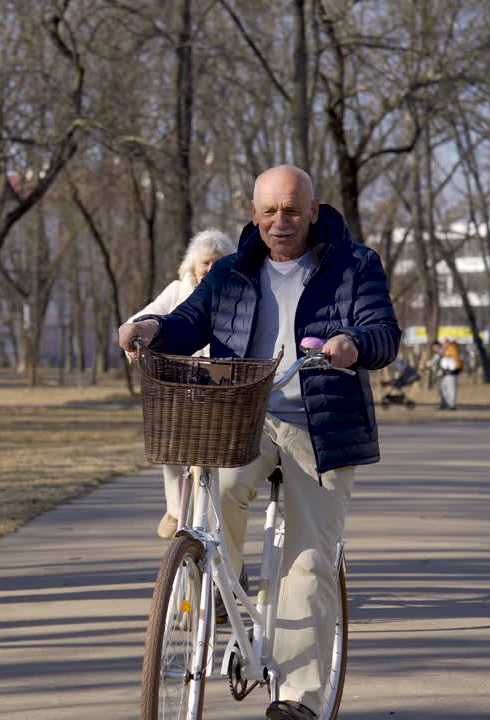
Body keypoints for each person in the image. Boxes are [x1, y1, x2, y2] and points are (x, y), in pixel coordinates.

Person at [119, 165, 400, 720]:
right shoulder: (232, 270)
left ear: (313, 212)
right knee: (212, 501)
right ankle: (224, 579)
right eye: (269, 211)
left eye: (292, 211)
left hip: (320, 424)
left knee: (308, 561)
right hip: (242, 416)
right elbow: (188, 322)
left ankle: (297, 699)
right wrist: (150, 329)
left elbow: (384, 332)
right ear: (253, 214)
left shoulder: (353, 265)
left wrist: (353, 343)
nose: (280, 223)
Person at [130, 228, 237, 540]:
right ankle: (176, 509)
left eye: (218, 261)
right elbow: (145, 317)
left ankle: (218, 541)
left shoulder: (234, 292)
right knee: (173, 449)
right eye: (205, 262)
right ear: (192, 264)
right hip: (179, 382)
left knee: (211, 462)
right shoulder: (177, 290)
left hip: (219, 384)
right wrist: (135, 333)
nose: (211, 268)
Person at [433, 340, 461, 409]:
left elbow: (444, 355)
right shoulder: (444, 351)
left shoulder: (451, 350)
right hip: (445, 374)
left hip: (451, 373)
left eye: (444, 344)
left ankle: (453, 406)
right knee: (443, 389)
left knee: (451, 390)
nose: (443, 345)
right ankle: (449, 404)